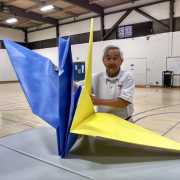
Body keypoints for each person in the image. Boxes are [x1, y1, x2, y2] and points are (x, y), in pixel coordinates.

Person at [74, 45, 135, 123]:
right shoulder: (95, 77)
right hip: (103, 124)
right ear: (103, 61)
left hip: (124, 123)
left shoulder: (127, 76)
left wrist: (99, 101)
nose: (111, 62)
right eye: (108, 58)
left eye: (115, 58)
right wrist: (63, 75)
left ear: (121, 61)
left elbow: (124, 102)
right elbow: (76, 87)